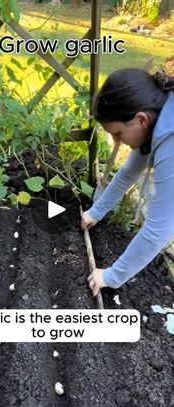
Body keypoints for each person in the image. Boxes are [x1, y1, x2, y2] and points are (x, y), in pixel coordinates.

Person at [81, 68, 174, 297]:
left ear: (140, 119)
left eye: (118, 134)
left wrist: (111, 276)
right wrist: (96, 212)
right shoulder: (157, 116)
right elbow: (128, 173)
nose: (117, 142)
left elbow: (157, 231)